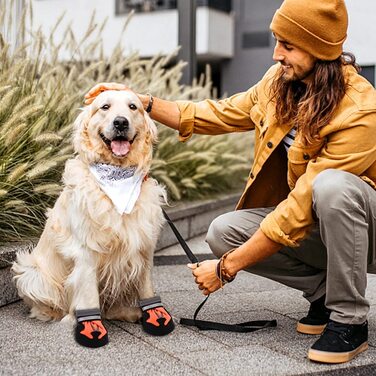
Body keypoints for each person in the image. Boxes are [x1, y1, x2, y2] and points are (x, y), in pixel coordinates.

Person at [85, 0, 376, 364]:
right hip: (318, 223)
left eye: (287, 45)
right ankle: (323, 295)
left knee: (333, 186)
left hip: (366, 232)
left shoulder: (361, 109)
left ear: (318, 49)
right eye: (276, 41)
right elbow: (216, 113)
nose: (275, 54)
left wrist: (226, 269)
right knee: (223, 232)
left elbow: (301, 207)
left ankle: (350, 319)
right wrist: (141, 102)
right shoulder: (280, 84)